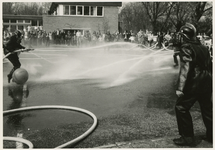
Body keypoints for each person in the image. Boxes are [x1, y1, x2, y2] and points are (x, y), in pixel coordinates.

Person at [173, 23, 212, 146]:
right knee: (207, 110)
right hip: (207, 81)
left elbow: (186, 68)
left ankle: (187, 138)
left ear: (184, 36)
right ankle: (212, 135)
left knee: (181, 108)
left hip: (194, 82)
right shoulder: (203, 47)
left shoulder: (186, 47)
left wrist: (180, 88)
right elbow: (210, 66)